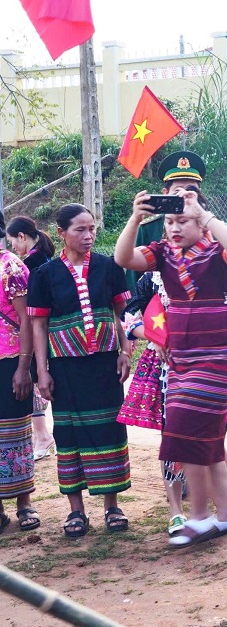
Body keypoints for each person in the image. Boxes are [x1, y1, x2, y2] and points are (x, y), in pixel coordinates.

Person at [114, 181, 227, 547]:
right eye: (170, 221)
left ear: (201, 225)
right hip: (182, 353)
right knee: (208, 437)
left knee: (184, 425)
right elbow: (124, 259)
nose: (174, 228)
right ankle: (226, 515)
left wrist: (204, 215)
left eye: (183, 222)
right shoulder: (162, 253)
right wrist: (134, 218)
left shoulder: (216, 252)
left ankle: (200, 517)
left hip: (219, 352)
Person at [127, 151, 227, 483]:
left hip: (210, 342)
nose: (181, 194)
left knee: (211, 410)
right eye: (175, 187)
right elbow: (138, 294)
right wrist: (154, 335)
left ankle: (215, 463)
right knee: (175, 417)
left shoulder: (213, 234)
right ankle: (178, 489)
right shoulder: (154, 236)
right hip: (167, 341)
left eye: (188, 187)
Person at [28, 204, 132, 538]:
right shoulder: (45, 275)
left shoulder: (108, 266)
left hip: (103, 364)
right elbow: (39, 323)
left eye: (92, 229)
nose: (88, 236)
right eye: (79, 230)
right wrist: (41, 371)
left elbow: (119, 313)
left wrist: (125, 350)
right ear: (61, 233)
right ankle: (76, 511)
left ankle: (111, 506)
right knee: (69, 432)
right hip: (65, 368)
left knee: (108, 428)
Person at [0, 213, 38, 533]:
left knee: (15, 432)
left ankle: (24, 504)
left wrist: (24, 367)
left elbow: (27, 320)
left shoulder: (10, 267)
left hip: (10, 361)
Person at [6, 216, 56, 461]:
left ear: (22, 237)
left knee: (34, 382)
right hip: (38, 333)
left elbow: (28, 315)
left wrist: (25, 362)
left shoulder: (21, 265)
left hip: (32, 336)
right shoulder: (40, 258)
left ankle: (42, 435)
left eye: (14, 241)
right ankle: (42, 435)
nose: (14, 245)